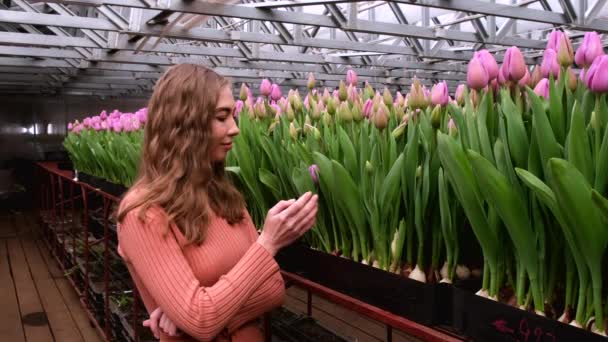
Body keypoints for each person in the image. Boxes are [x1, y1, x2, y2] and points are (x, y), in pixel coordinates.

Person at [116, 64, 318, 341]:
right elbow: (201, 319)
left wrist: (198, 315)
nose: (235, 129)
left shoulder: (224, 196)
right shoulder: (143, 213)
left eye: (233, 116)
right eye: (222, 117)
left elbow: (273, 290)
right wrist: (268, 243)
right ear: (184, 124)